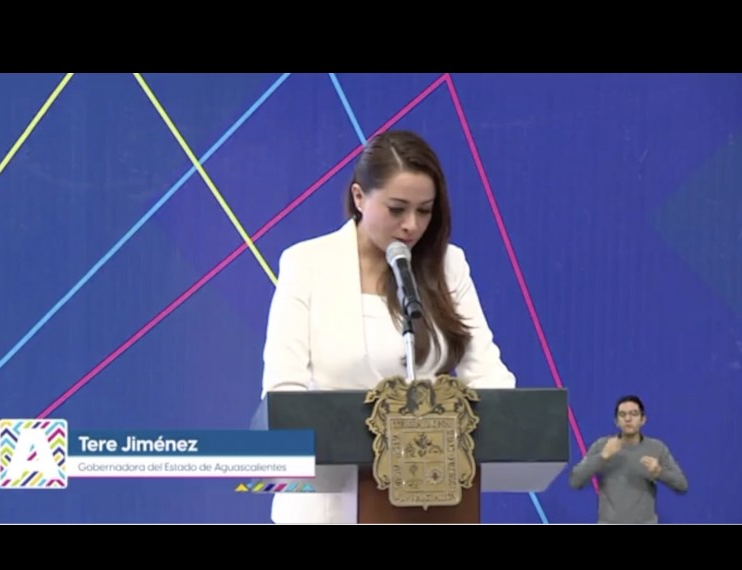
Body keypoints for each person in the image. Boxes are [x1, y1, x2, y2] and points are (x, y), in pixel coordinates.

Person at [258, 129, 516, 524]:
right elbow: (282, 394)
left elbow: (488, 376)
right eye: (397, 209)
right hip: (328, 506)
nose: (411, 225)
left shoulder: (449, 265)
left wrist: (510, 419)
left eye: (425, 211)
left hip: (428, 500)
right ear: (359, 197)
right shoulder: (307, 264)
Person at [569, 394, 688, 524]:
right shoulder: (603, 446)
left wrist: (659, 472)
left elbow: (682, 486)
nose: (628, 419)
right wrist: (602, 457)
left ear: (643, 419)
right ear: (616, 421)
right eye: (622, 414)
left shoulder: (657, 448)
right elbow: (575, 481)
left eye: (634, 414)